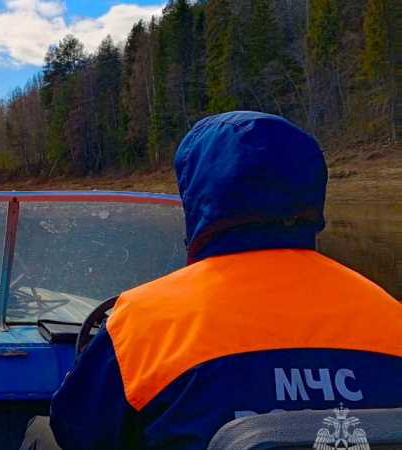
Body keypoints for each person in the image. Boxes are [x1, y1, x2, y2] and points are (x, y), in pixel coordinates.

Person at [27, 111, 402, 449]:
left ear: (199, 199)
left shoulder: (144, 322)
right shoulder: (391, 315)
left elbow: (74, 431)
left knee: (41, 434)